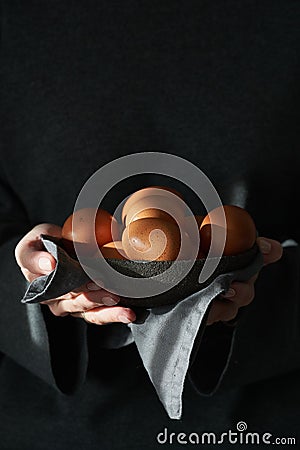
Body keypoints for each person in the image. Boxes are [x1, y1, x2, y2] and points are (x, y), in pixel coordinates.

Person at [0, 1, 299, 449]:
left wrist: (262, 286)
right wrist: (38, 285)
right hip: (54, 428)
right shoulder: (16, 20)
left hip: (261, 423)